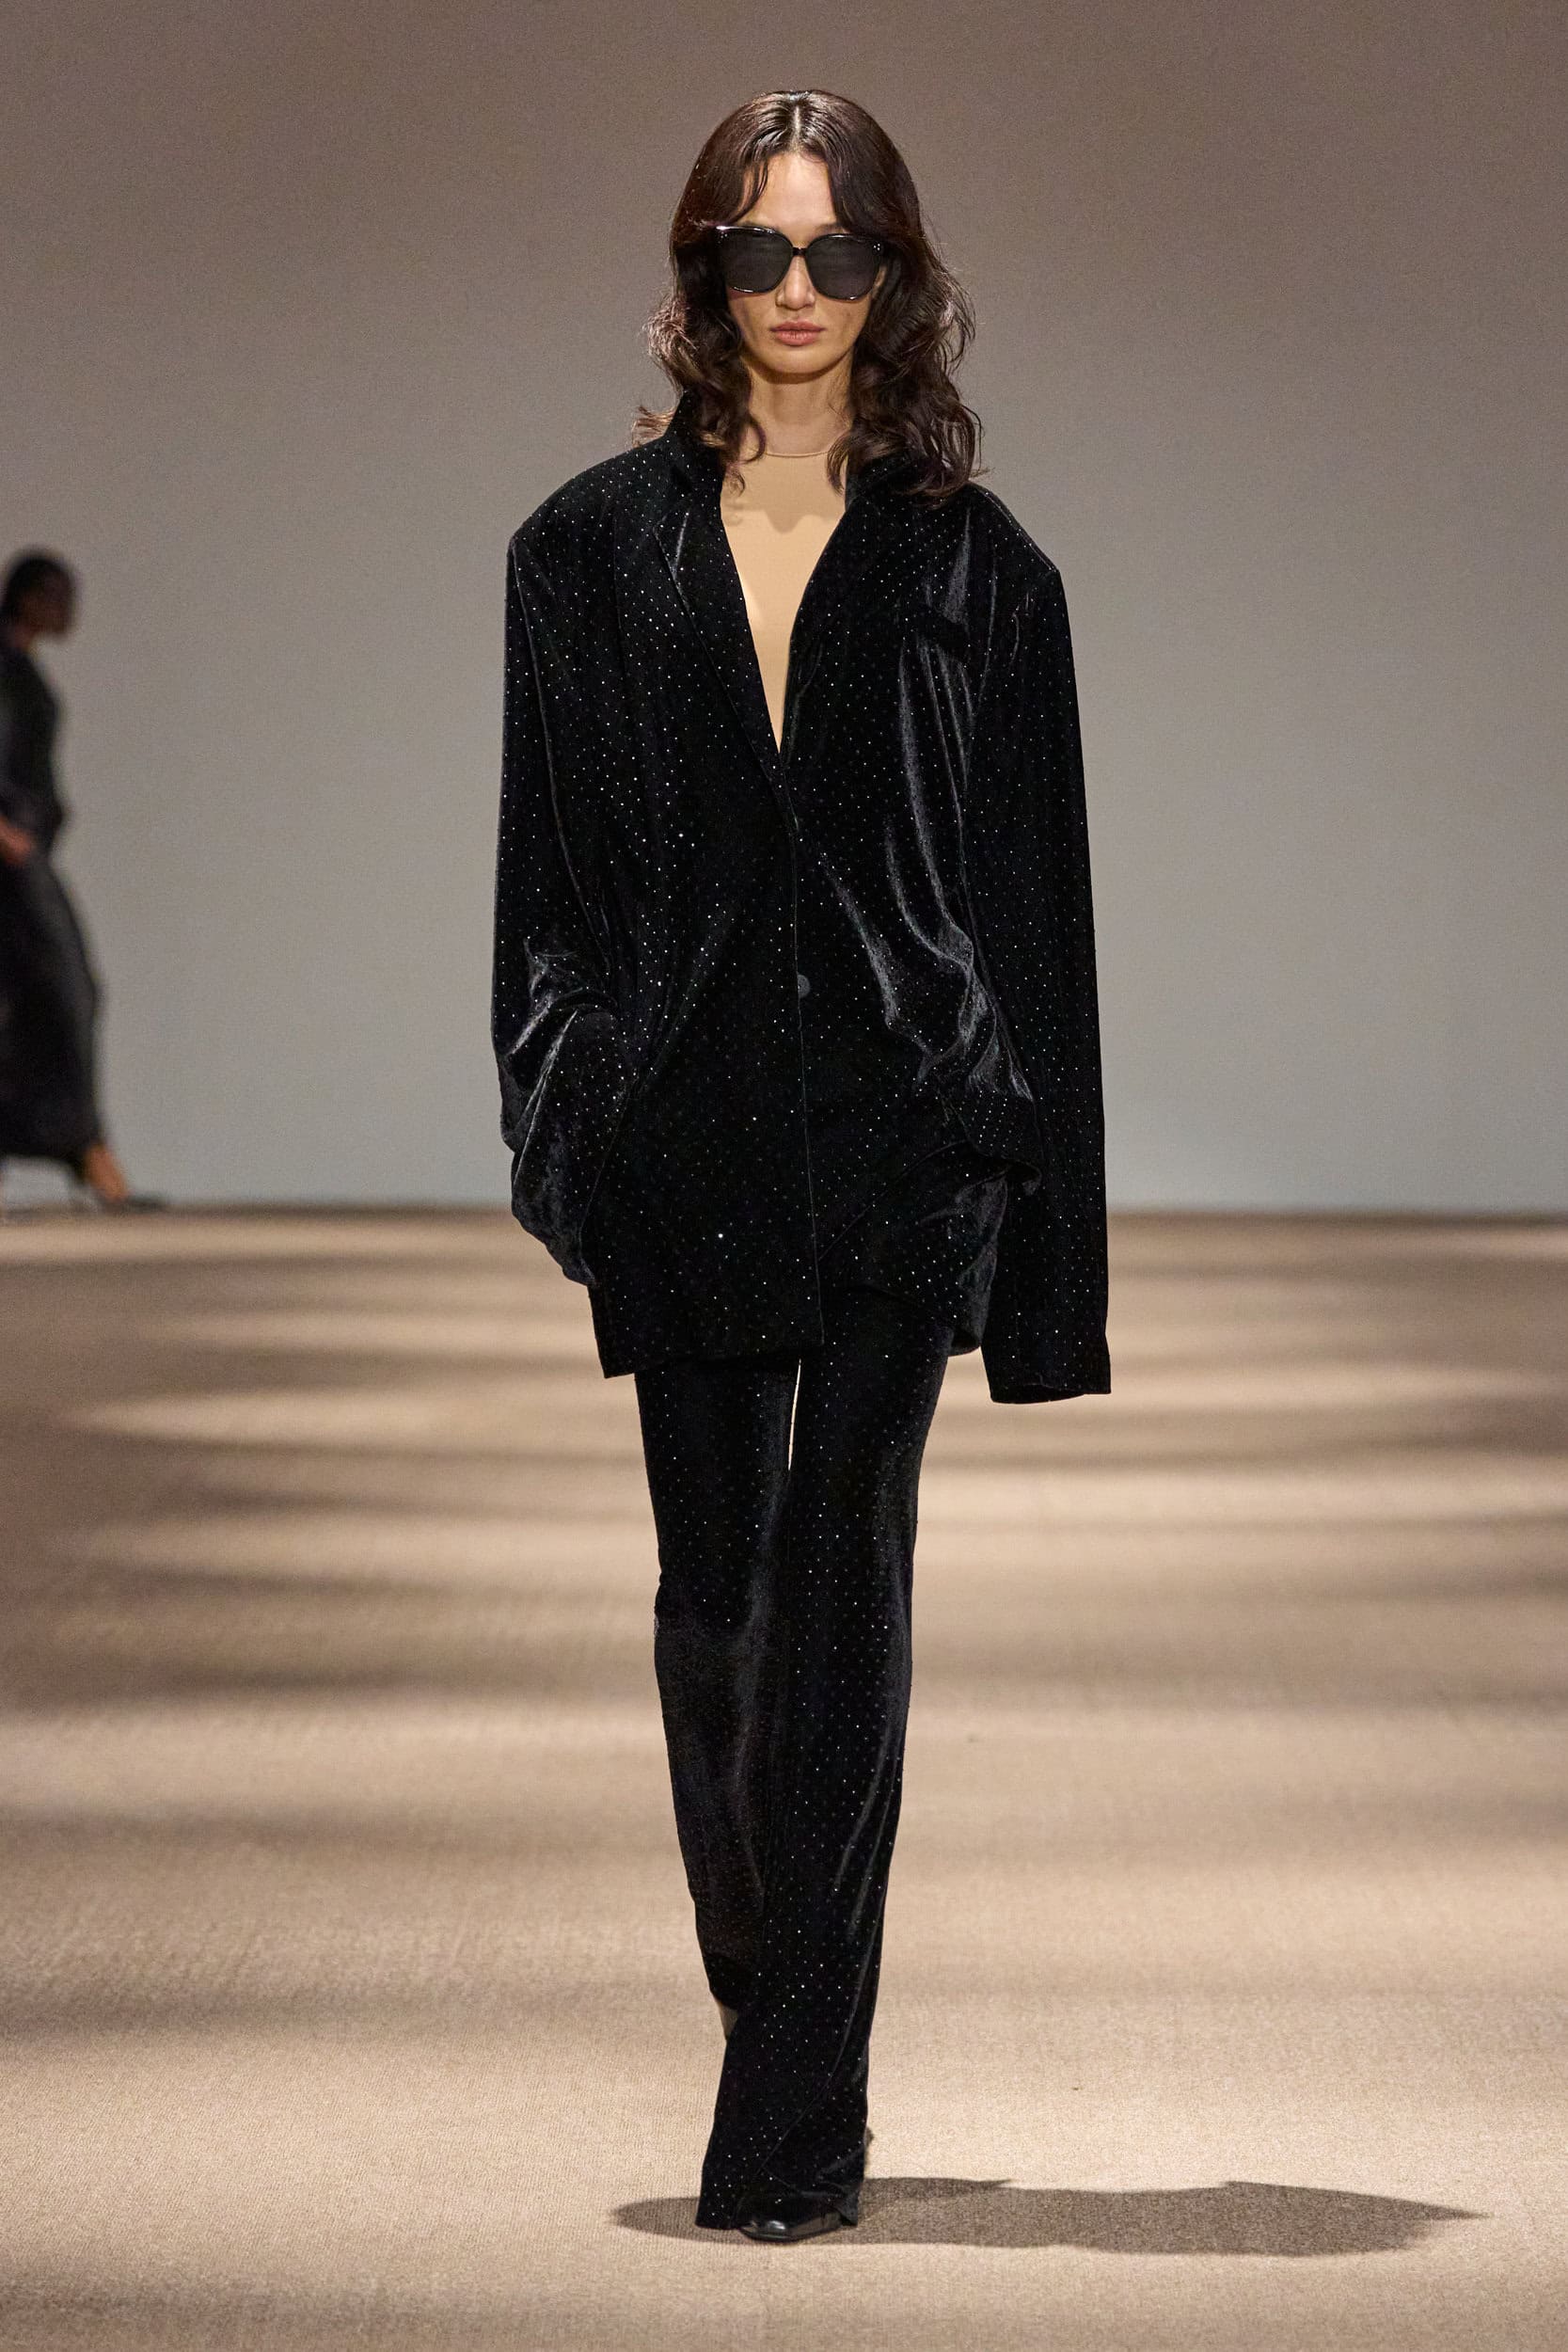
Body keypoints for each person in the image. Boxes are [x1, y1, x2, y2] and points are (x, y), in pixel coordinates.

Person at [491, 89, 1110, 2243]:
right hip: (679, 1138)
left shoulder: (977, 571)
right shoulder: (580, 554)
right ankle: (770, 1957)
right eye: (755, 251)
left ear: (892, 277)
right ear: (700, 271)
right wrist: (564, 1130)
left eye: (835, 253)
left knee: (841, 1590)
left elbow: (1035, 917)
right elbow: (545, 891)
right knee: (716, 1610)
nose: (794, 291)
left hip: (899, 1137)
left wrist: (1042, 1255)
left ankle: (787, 2115)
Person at [0, 550, 159, 1212]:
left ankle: (85, 1148)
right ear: (29, 596)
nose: (70, 612)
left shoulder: (20, 666)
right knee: (66, 991)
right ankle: (87, 1149)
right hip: (10, 856)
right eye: (59, 596)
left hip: (22, 852)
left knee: (47, 996)